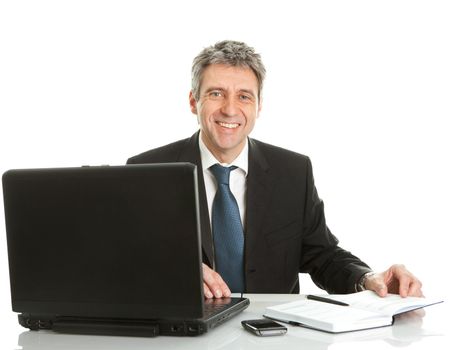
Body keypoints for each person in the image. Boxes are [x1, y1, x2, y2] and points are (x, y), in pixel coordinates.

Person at [127, 40, 423, 299]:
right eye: (216, 93)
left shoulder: (293, 172)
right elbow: (127, 260)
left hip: (271, 334)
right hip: (182, 333)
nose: (230, 109)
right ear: (194, 102)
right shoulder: (147, 172)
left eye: (244, 96)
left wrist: (367, 279)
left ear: (259, 106)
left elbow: (322, 255)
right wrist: (175, 270)